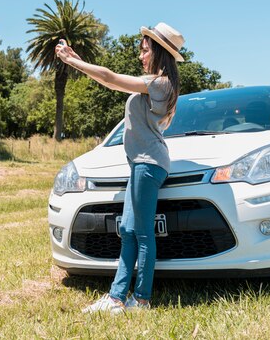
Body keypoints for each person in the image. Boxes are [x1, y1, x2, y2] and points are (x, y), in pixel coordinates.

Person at [55, 22, 184, 314]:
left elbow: (111, 79)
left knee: (141, 233)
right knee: (127, 229)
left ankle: (141, 300)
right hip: (141, 163)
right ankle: (116, 298)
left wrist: (73, 61)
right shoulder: (156, 82)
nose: (141, 55)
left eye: (145, 50)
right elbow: (112, 81)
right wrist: (78, 59)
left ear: (160, 52)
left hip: (148, 163)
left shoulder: (161, 84)